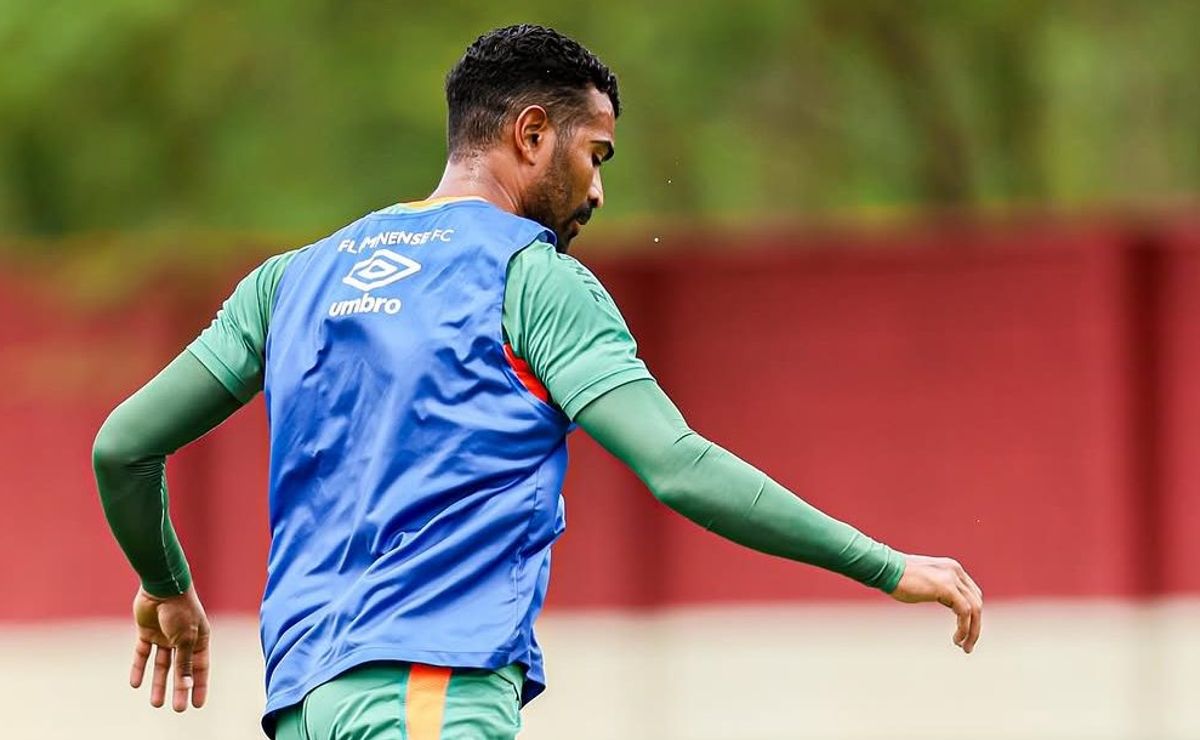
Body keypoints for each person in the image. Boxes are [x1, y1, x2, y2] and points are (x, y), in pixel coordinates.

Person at [92, 24, 983, 740]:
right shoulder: (531, 278)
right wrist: (885, 565)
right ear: (531, 134)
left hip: (302, 702)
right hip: (431, 690)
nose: (597, 191)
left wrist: (164, 582)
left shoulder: (289, 281)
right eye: (596, 155)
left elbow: (124, 447)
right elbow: (677, 465)